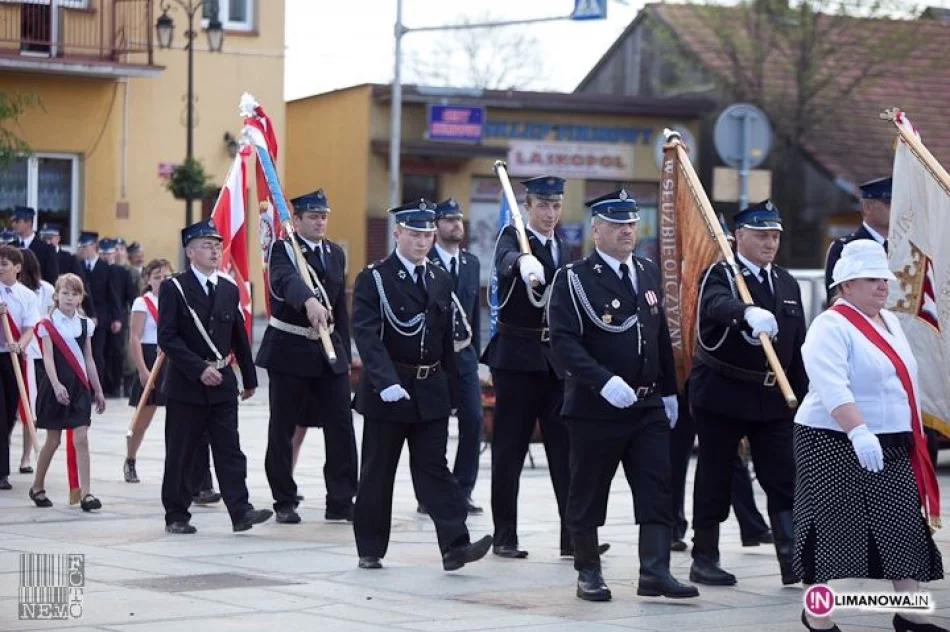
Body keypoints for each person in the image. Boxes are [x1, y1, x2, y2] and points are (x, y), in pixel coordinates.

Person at [548, 190, 698, 601]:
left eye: (631, 224)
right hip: (597, 407)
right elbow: (563, 342)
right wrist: (601, 380)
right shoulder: (574, 278)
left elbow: (658, 337)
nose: (626, 231)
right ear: (596, 229)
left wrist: (669, 390)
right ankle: (588, 571)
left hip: (647, 405)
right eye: (616, 225)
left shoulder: (647, 271)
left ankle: (655, 572)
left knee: (656, 486)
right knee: (588, 490)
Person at [797, 240, 944, 632]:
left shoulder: (890, 320)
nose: (883, 286)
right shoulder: (830, 325)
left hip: (891, 441)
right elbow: (833, 386)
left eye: (884, 278)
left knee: (902, 525)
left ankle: (910, 613)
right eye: (871, 279)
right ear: (845, 286)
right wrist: (859, 431)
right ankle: (818, 615)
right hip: (833, 439)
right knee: (830, 527)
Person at [351, 199, 492, 571]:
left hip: (430, 388)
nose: (423, 241)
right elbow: (366, 334)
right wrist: (384, 380)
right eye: (415, 233)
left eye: (428, 234)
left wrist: (457, 386)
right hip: (390, 390)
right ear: (396, 233)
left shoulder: (439, 277)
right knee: (378, 472)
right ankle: (370, 548)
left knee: (434, 469)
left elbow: (445, 339)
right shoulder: (375, 278)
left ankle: (455, 545)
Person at [688, 200, 808, 587]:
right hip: (723, 392)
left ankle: (793, 560)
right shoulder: (720, 273)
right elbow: (715, 305)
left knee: (783, 477)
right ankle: (704, 557)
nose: (769, 243)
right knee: (715, 476)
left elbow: (797, 346)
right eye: (761, 235)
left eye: (774, 235)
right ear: (739, 236)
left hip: (773, 397)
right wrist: (744, 313)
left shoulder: (787, 282)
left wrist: (803, 400)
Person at [481, 175, 586, 559]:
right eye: (543, 206)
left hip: (555, 362)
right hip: (517, 358)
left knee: (565, 451)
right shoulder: (512, 238)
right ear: (527, 207)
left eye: (556, 205)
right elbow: (505, 260)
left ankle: (572, 537)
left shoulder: (564, 246)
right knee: (509, 449)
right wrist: (521, 261)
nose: (550, 213)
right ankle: (505, 534)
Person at [158, 219, 271, 534]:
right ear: (190, 251)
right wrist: (198, 368)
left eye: (217, 245)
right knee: (182, 451)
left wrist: (249, 378)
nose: (215, 250)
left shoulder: (228, 286)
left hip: (222, 382)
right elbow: (168, 338)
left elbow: (238, 335)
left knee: (229, 448)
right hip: (186, 384)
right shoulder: (174, 287)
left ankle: (240, 511)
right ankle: (177, 514)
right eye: (207, 245)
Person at [670, 220, 773, 552]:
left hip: (709, 379)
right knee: (677, 458)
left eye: (726, 241)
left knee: (728, 460)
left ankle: (752, 525)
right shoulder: (687, 279)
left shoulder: (729, 280)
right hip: (679, 377)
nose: (723, 247)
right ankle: (674, 526)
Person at [257, 188, 357, 524]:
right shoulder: (283, 249)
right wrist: (308, 301)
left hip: (328, 352)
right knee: (283, 428)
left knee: (341, 426)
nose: (319, 222)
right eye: (313, 216)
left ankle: (341, 499)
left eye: (323, 216)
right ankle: (284, 498)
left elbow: (339, 305)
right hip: (291, 349)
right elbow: (285, 281)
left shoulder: (334, 253)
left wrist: (345, 351)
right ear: (296, 219)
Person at [418, 198, 482, 515]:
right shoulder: (424, 262)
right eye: (448, 220)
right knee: (435, 427)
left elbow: (474, 315)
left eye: (458, 219)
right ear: (436, 226)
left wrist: (478, 358)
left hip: (465, 357)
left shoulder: (471, 263)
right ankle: (431, 494)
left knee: (474, 420)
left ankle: (462, 490)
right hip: (436, 361)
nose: (456, 225)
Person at [28, 273, 106, 511]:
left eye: (75, 294)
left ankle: (86, 493)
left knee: (81, 438)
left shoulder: (85, 324)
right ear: (57, 295)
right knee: (53, 440)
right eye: (65, 293)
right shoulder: (47, 324)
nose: (69, 298)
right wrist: (56, 385)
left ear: (81, 298)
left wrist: (98, 390)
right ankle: (37, 486)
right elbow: (48, 359)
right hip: (55, 387)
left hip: (80, 388)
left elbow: (89, 359)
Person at [123, 258, 173, 484]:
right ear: (148, 280)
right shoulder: (142, 303)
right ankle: (130, 460)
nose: (162, 281)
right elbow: (134, 338)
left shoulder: (176, 299)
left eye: (166, 277)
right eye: (157, 277)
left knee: (178, 419)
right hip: (150, 358)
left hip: (172, 359)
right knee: (142, 419)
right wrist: (142, 370)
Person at [0, 246, 40, 491]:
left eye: (4, 263)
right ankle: (2, 472)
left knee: (9, 413)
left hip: (13, 359)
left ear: (17, 267)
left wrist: (19, 345)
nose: (0, 267)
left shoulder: (26, 295)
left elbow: (30, 328)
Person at [16, 248, 55, 475]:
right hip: (16, 349)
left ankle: (26, 456)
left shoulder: (45, 290)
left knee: (30, 406)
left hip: (36, 353)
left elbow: (49, 322)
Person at [824, 177, 891, 297]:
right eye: (889, 204)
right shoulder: (845, 247)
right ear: (867, 207)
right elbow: (836, 297)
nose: (896, 210)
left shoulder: (900, 248)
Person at [77, 233, 119, 394]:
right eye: (81, 247)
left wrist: (116, 317)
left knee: (97, 354)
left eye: (85, 246)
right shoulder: (79, 265)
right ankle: (83, 387)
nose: (83, 250)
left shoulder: (106, 267)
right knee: (81, 351)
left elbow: (112, 294)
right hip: (81, 314)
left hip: (101, 317)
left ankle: (97, 388)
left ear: (94, 246)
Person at [10, 206, 58, 284]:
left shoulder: (47, 249)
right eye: (12, 222)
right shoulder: (10, 247)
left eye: (17, 221)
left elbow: (51, 279)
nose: (13, 225)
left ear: (28, 222)